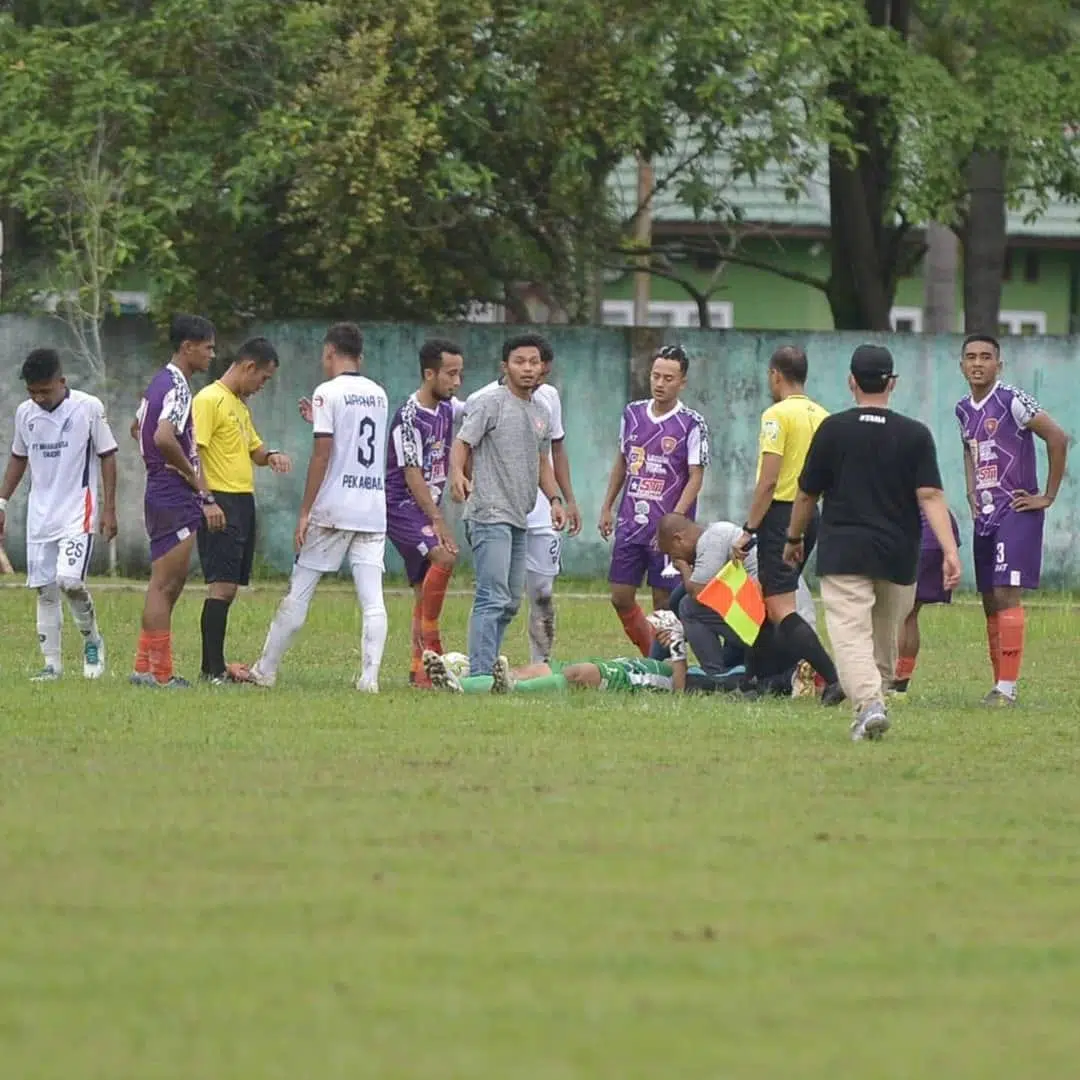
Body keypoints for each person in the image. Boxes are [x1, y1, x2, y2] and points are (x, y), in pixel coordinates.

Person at [785, 344, 962, 741]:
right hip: (899, 554)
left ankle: (869, 705)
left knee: (850, 634)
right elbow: (931, 496)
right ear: (892, 383)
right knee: (883, 637)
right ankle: (871, 705)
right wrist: (950, 551)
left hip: (844, 549)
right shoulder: (915, 434)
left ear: (851, 382)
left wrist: (794, 537)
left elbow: (806, 494)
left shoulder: (833, 429)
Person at [235, 323, 389, 690]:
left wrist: (306, 511)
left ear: (329, 353)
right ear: (361, 356)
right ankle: (369, 679)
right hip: (371, 507)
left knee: (300, 588)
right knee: (373, 598)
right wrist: (317, 420)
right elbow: (354, 440)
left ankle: (265, 670)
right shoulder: (378, 394)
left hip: (334, 508)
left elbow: (323, 455)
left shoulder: (327, 392)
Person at [955, 333, 1068, 706]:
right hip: (985, 514)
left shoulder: (1012, 400)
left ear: (998, 365)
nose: (978, 363)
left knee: (1006, 592)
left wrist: (1046, 496)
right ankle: (997, 683)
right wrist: (971, 491)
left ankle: (1008, 687)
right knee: (988, 599)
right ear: (962, 365)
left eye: (986, 357)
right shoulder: (962, 409)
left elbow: (1058, 437)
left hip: (1017, 509)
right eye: (971, 356)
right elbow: (970, 450)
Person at [448, 335, 565, 678]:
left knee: (512, 601)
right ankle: (481, 674)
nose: (527, 368)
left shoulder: (541, 411)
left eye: (533, 362)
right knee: (492, 596)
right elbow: (462, 443)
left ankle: (486, 666)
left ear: (542, 367)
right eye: (519, 361)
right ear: (505, 367)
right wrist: (457, 473)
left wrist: (556, 499)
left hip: (520, 515)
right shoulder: (489, 403)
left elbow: (543, 462)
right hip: (489, 512)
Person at [732, 344, 843, 705]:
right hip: (812, 514)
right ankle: (755, 679)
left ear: (775, 375)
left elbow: (768, 480)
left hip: (782, 514)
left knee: (780, 606)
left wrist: (749, 529)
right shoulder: (824, 416)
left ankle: (834, 677)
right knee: (770, 597)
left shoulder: (776, 416)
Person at [0, 348, 118, 680]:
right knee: (45, 589)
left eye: (45, 391)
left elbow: (108, 456)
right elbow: (18, 458)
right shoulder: (25, 413)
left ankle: (92, 642)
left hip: (77, 511)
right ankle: (52, 665)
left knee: (70, 582)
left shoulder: (88, 408)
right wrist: (2, 502)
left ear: (62, 382)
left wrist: (109, 508)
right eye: (32, 392)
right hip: (41, 516)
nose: (38, 398)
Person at [131, 314, 225, 688]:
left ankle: (143, 666)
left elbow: (136, 426)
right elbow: (163, 436)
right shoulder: (180, 387)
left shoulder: (158, 382)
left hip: (159, 488)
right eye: (208, 348)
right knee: (165, 585)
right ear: (188, 347)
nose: (211, 355)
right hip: (173, 491)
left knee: (165, 583)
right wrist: (194, 478)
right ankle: (161, 674)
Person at [191, 337, 291, 684]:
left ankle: (216, 667)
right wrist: (207, 501)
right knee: (220, 587)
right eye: (262, 379)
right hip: (220, 500)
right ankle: (211, 670)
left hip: (242, 501)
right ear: (249, 367)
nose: (262, 386)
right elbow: (194, 453)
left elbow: (254, 449)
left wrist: (272, 455)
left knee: (230, 586)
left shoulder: (238, 405)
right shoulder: (208, 400)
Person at [599, 344, 709, 654]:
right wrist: (607, 505)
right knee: (620, 595)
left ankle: (667, 664)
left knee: (664, 602)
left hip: (668, 529)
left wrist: (675, 520)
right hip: (631, 521)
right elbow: (622, 461)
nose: (660, 384)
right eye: (656, 376)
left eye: (669, 378)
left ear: (682, 382)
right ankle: (652, 653)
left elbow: (696, 476)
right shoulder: (632, 413)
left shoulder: (691, 423)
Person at [656, 512, 819, 697]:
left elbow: (697, 594)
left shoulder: (711, 539)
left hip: (780, 630)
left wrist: (684, 568)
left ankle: (716, 677)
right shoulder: (723, 536)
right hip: (796, 633)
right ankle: (785, 678)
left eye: (671, 554)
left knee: (689, 606)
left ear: (679, 539)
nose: (673, 560)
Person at [385, 339, 465, 686]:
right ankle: (435, 648)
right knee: (444, 557)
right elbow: (412, 473)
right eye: (451, 374)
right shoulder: (407, 416)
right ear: (429, 373)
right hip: (401, 506)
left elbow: (476, 408)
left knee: (423, 589)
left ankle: (421, 671)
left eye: (460, 374)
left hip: (424, 507)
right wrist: (438, 520)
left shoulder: (447, 408)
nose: (456, 382)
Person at [892, 508, 961, 695]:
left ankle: (891, 681)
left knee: (899, 612)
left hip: (919, 531)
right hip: (941, 528)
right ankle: (899, 684)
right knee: (910, 612)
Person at [423, 648, 687, 695]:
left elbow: (680, 687)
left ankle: (513, 690)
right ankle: (456, 685)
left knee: (579, 674)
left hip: (631, 677)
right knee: (533, 668)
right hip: (625, 661)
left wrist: (678, 647)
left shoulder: (697, 675)